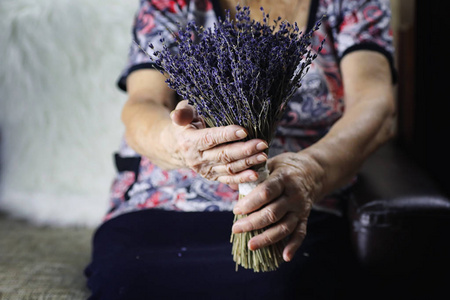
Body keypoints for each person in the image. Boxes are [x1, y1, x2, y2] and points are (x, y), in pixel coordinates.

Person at [84, 0, 396, 299]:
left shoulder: (350, 2)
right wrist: (178, 144)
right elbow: (142, 104)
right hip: (164, 201)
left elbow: (376, 106)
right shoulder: (173, 2)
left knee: (286, 284)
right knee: (131, 282)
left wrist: (311, 172)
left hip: (293, 201)